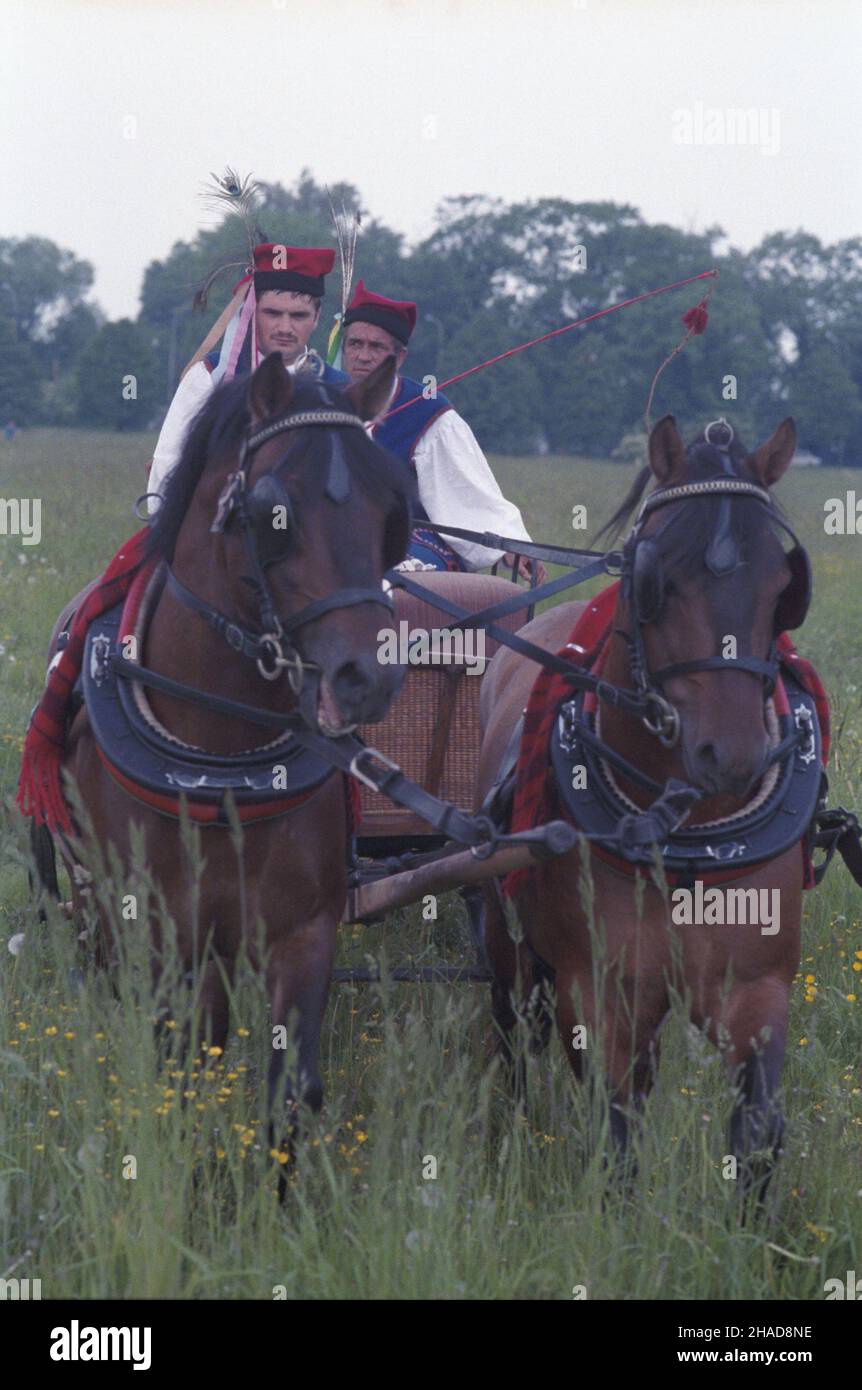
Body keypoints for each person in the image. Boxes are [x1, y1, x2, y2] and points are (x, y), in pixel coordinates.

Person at [340, 281, 544, 580]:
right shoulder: (323, 402)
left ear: (400, 358)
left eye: (377, 347)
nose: (363, 356)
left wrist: (508, 546)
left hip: (412, 544)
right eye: (355, 344)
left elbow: (469, 493)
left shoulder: (428, 414)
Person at [147, 243, 348, 512]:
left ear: (317, 317)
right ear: (252, 311)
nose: (285, 328)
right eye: (273, 313)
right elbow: (168, 463)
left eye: (298, 315)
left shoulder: (340, 388)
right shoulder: (211, 374)